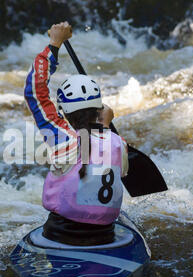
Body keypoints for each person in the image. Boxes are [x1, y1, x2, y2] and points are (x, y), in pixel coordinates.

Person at [24, 22, 129, 246]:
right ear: (100, 108)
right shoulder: (119, 143)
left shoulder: (65, 137)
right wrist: (105, 125)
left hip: (61, 234)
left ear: (64, 111)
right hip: (105, 235)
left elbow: (35, 93)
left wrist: (54, 45)